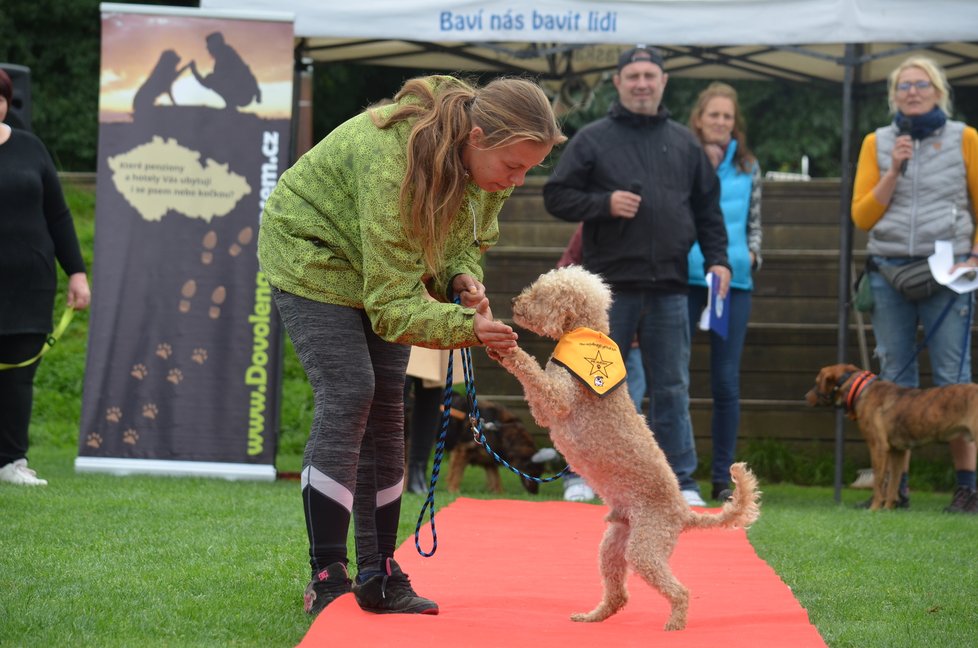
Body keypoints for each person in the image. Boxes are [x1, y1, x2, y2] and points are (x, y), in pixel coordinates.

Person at [257, 74, 565, 616]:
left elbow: (462, 242)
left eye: (529, 170)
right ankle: (327, 574)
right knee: (352, 391)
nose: (517, 182)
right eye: (513, 166)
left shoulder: (484, 172)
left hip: (380, 269)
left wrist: (459, 280)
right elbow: (391, 306)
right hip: (311, 253)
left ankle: (379, 573)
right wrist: (467, 328)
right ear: (476, 137)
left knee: (387, 408)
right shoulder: (392, 160)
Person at [543, 46, 730, 508]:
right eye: (633, 76)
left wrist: (718, 259)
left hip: (670, 287)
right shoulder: (592, 139)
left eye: (650, 75)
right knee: (591, 384)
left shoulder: (686, 143)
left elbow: (708, 211)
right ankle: (579, 475)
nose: (642, 83)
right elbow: (556, 196)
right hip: (606, 292)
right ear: (618, 82)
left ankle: (680, 481)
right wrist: (603, 204)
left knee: (672, 388)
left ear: (663, 82)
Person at [851, 55, 978, 514]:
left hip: (950, 275)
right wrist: (893, 171)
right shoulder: (878, 142)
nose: (912, 92)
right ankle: (893, 491)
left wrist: (975, 255)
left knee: (954, 382)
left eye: (921, 84)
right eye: (904, 86)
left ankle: (966, 489)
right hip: (889, 273)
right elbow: (863, 215)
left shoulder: (966, 138)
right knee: (894, 383)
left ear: (939, 91)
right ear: (893, 95)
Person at [0, 67, 91, 486]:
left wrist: (76, 272)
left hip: (30, 285)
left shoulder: (31, 148)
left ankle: (11, 462)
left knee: (19, 378)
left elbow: (57, 214)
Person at [686, 82, 763, 502]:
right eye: (713, 114)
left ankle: (722, 477)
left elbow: (755, 223)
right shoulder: (681, 155)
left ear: (735, 124)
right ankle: (675, 474)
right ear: (699, 118)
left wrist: (753, 256)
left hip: (732, 286)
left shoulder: (750, 167)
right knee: (673, 378)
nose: (719, 122)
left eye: (727, 116)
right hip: (683, 280)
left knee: (725, 383)